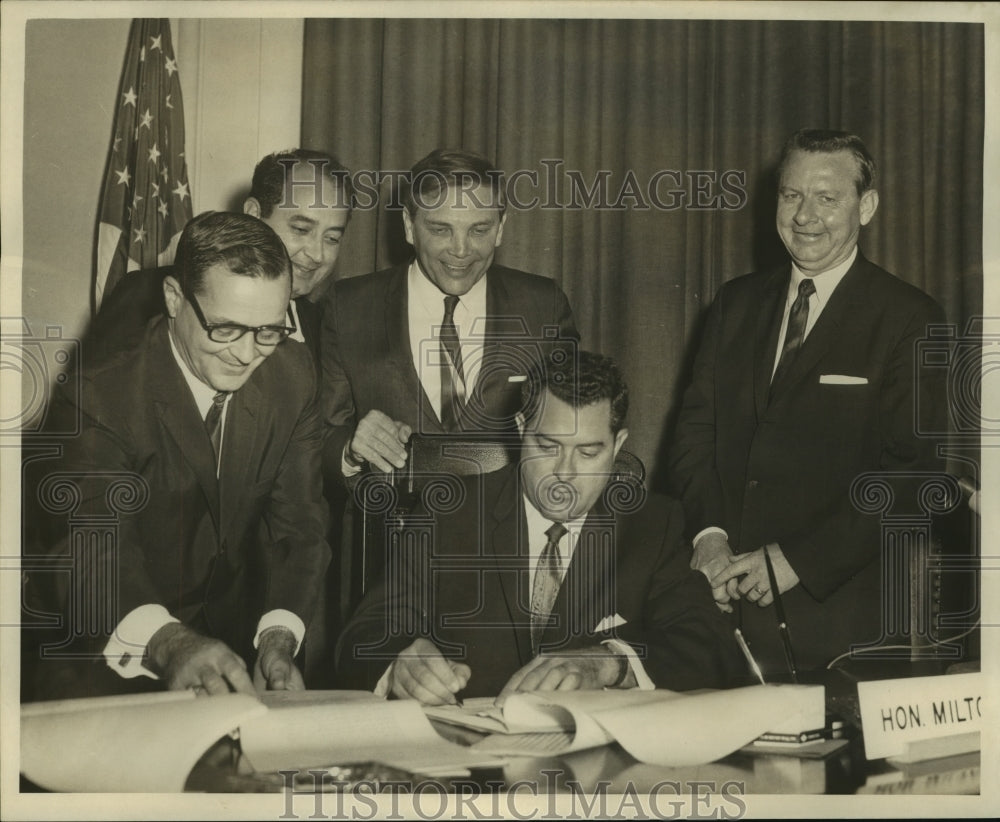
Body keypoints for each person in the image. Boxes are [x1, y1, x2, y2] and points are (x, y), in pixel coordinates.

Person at [667, 129, 947, 674]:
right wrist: (708, 537)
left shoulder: (910, 317)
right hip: (720, 616)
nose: (804, 215)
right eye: (792, 195)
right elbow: (694, 437)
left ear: (866, 207)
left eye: (827, 197)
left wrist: (796, 561)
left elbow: (913, 477)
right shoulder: (734, 303)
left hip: (840, 625)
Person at [27, 211, 330, 698]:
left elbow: (298, 526)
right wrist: (170, 643)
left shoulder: (292, 378)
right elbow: (92, 551)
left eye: (269, 331)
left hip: (231, 654)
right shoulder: (99, 394)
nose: (248, 354)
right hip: (106, 663)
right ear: (174, 299)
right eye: (226, 328)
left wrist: (277, 638)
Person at [336, 351, 740, 701]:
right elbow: (364, 636)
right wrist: (399, 662)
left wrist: (610, 663)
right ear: (520, 430)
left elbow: (710, 646)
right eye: (547, 447)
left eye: (588, 452)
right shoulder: (449, 513)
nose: (564, 473)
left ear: (617, 447)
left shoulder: (650, 526)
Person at [321, 148, 579, 481]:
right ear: (409, 227)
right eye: (441, 230)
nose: (461, 250)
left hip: (505, 527)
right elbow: (321, 435)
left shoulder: (543, 305)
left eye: (479, 230)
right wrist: (350, 451)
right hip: (388, 525)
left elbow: (576, 425)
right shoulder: (349, 305)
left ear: (501, 228)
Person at [85, 148, 352, 368]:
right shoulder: (145, 297)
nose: (317, 254)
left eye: (332, 238)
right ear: (253, 214)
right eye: (301, 230)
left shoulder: (323, 327)